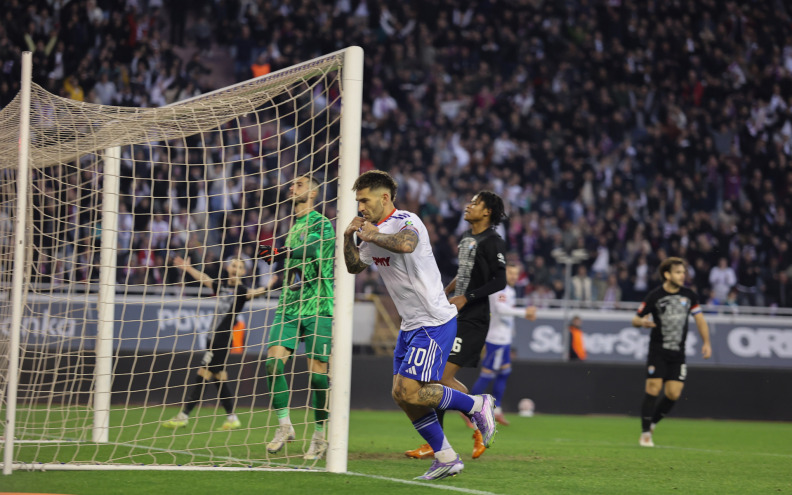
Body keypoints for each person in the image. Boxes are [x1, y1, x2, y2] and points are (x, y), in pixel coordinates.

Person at [343, 170, 498, 481]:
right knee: (401, 395)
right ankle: (446, 457)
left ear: (384, 198)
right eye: (358, 201)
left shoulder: (406, 220)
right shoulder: (371, 231)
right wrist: (349, 237)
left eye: (365, 200)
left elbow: (406, 244)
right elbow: (355, 266)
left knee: (412, 391)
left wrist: (371, 235)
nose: (360, 207)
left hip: (433, 320)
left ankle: (476, 404)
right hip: (410, 324)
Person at [406, 190, 507, 460]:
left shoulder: (493, 241)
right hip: (453, 315)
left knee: (440, 377)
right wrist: (447, 290)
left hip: (473, 319)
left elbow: (500, 281)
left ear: (487, 211)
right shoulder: (466, 237)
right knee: (432, 378)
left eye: (475, 203)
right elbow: (464, 274)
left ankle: (479, 418)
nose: (468, 205)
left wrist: (467, 297)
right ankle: (436, 442)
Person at [259, 174, 336, 461]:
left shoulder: (321, 223)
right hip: (289, 307)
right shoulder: (293, 228)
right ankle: (284, 426)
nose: (292, 188)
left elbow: (313, 249)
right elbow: (295, 269)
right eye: (291, 184)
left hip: (318, 306)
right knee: (272, 364)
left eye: (299, 184)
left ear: (313, 193)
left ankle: (319, 435)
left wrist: (282, 251)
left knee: (317, 376)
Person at [162, 255, 273, 431]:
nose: (235, 269)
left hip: (222, 339)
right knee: (219, 378)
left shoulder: (241, 291)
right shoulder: (222, 287)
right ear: (228, 268)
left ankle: (184, 416)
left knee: (202, 374)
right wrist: (188, 268)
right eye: (233, 266)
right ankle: (232, 418)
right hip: (212, 337)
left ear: (244, 272)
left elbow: (256, 292)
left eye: (239, 267)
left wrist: (268, 286)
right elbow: (204, 278)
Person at [632, 257, 711, 447]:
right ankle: (645, 434)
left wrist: (706, 342)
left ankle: (653, 423)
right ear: (667, 274)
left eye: (683, 272)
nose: (682, 276)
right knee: (653, 388)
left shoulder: (689, 295)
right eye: (678, 272)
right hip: (658, 350)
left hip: (678, 353)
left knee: (673, 393)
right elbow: (635, 319)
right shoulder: (655, 296)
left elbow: (700, 320)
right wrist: (642, 322)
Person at [470, 262, 537, 426]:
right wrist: (524, 312)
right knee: (487, 375)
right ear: (503, 273)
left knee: (504, 373)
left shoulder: (510, 291)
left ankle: (497, 410)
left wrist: (512, 329)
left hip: (505, 339)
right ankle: (468, 410)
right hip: (496, 340)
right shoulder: (499, 289)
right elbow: (500, 309)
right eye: (510, 273)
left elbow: (506, 313)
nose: (514, 276)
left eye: (516, 273)